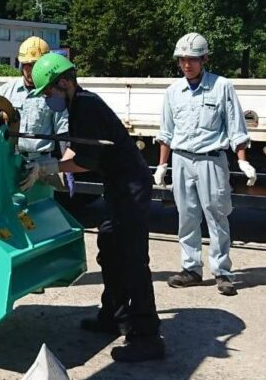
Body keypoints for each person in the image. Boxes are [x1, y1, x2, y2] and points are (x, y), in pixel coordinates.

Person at [20, 53, 164, 363]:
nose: (46, 98)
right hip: (118, 185)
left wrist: (49, 168)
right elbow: (78, 148)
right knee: (109, 246)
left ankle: (148, 336)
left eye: (48, 91)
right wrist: (50, 164)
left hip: (131, 187)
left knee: (133, 259)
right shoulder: (78, 105)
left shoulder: (87, 106)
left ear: (64, 82)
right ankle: (113, 315)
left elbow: (86, 160)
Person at [153, 32, 257, 296]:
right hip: (181, 159)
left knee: (216, 215)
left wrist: (243, 161)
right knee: (187, 216)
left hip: (211, 160)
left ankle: (222, 272)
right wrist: (162, 165)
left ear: (204, 60)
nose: (187, 65)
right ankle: (191, 269)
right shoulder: (173, 92)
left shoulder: (222, 87)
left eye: (192, 59)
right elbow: (166, 132)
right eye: (182, 60)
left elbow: (236, 128)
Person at [0, 36, 68, 189]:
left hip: (42, 167)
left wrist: (67, 171)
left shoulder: (55, 95)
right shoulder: (5, 91)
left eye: (36, 65)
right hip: (10, 160)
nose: (31, 70)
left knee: (40, 203)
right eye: (27, 65)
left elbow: (64, 136)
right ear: (21, 65)